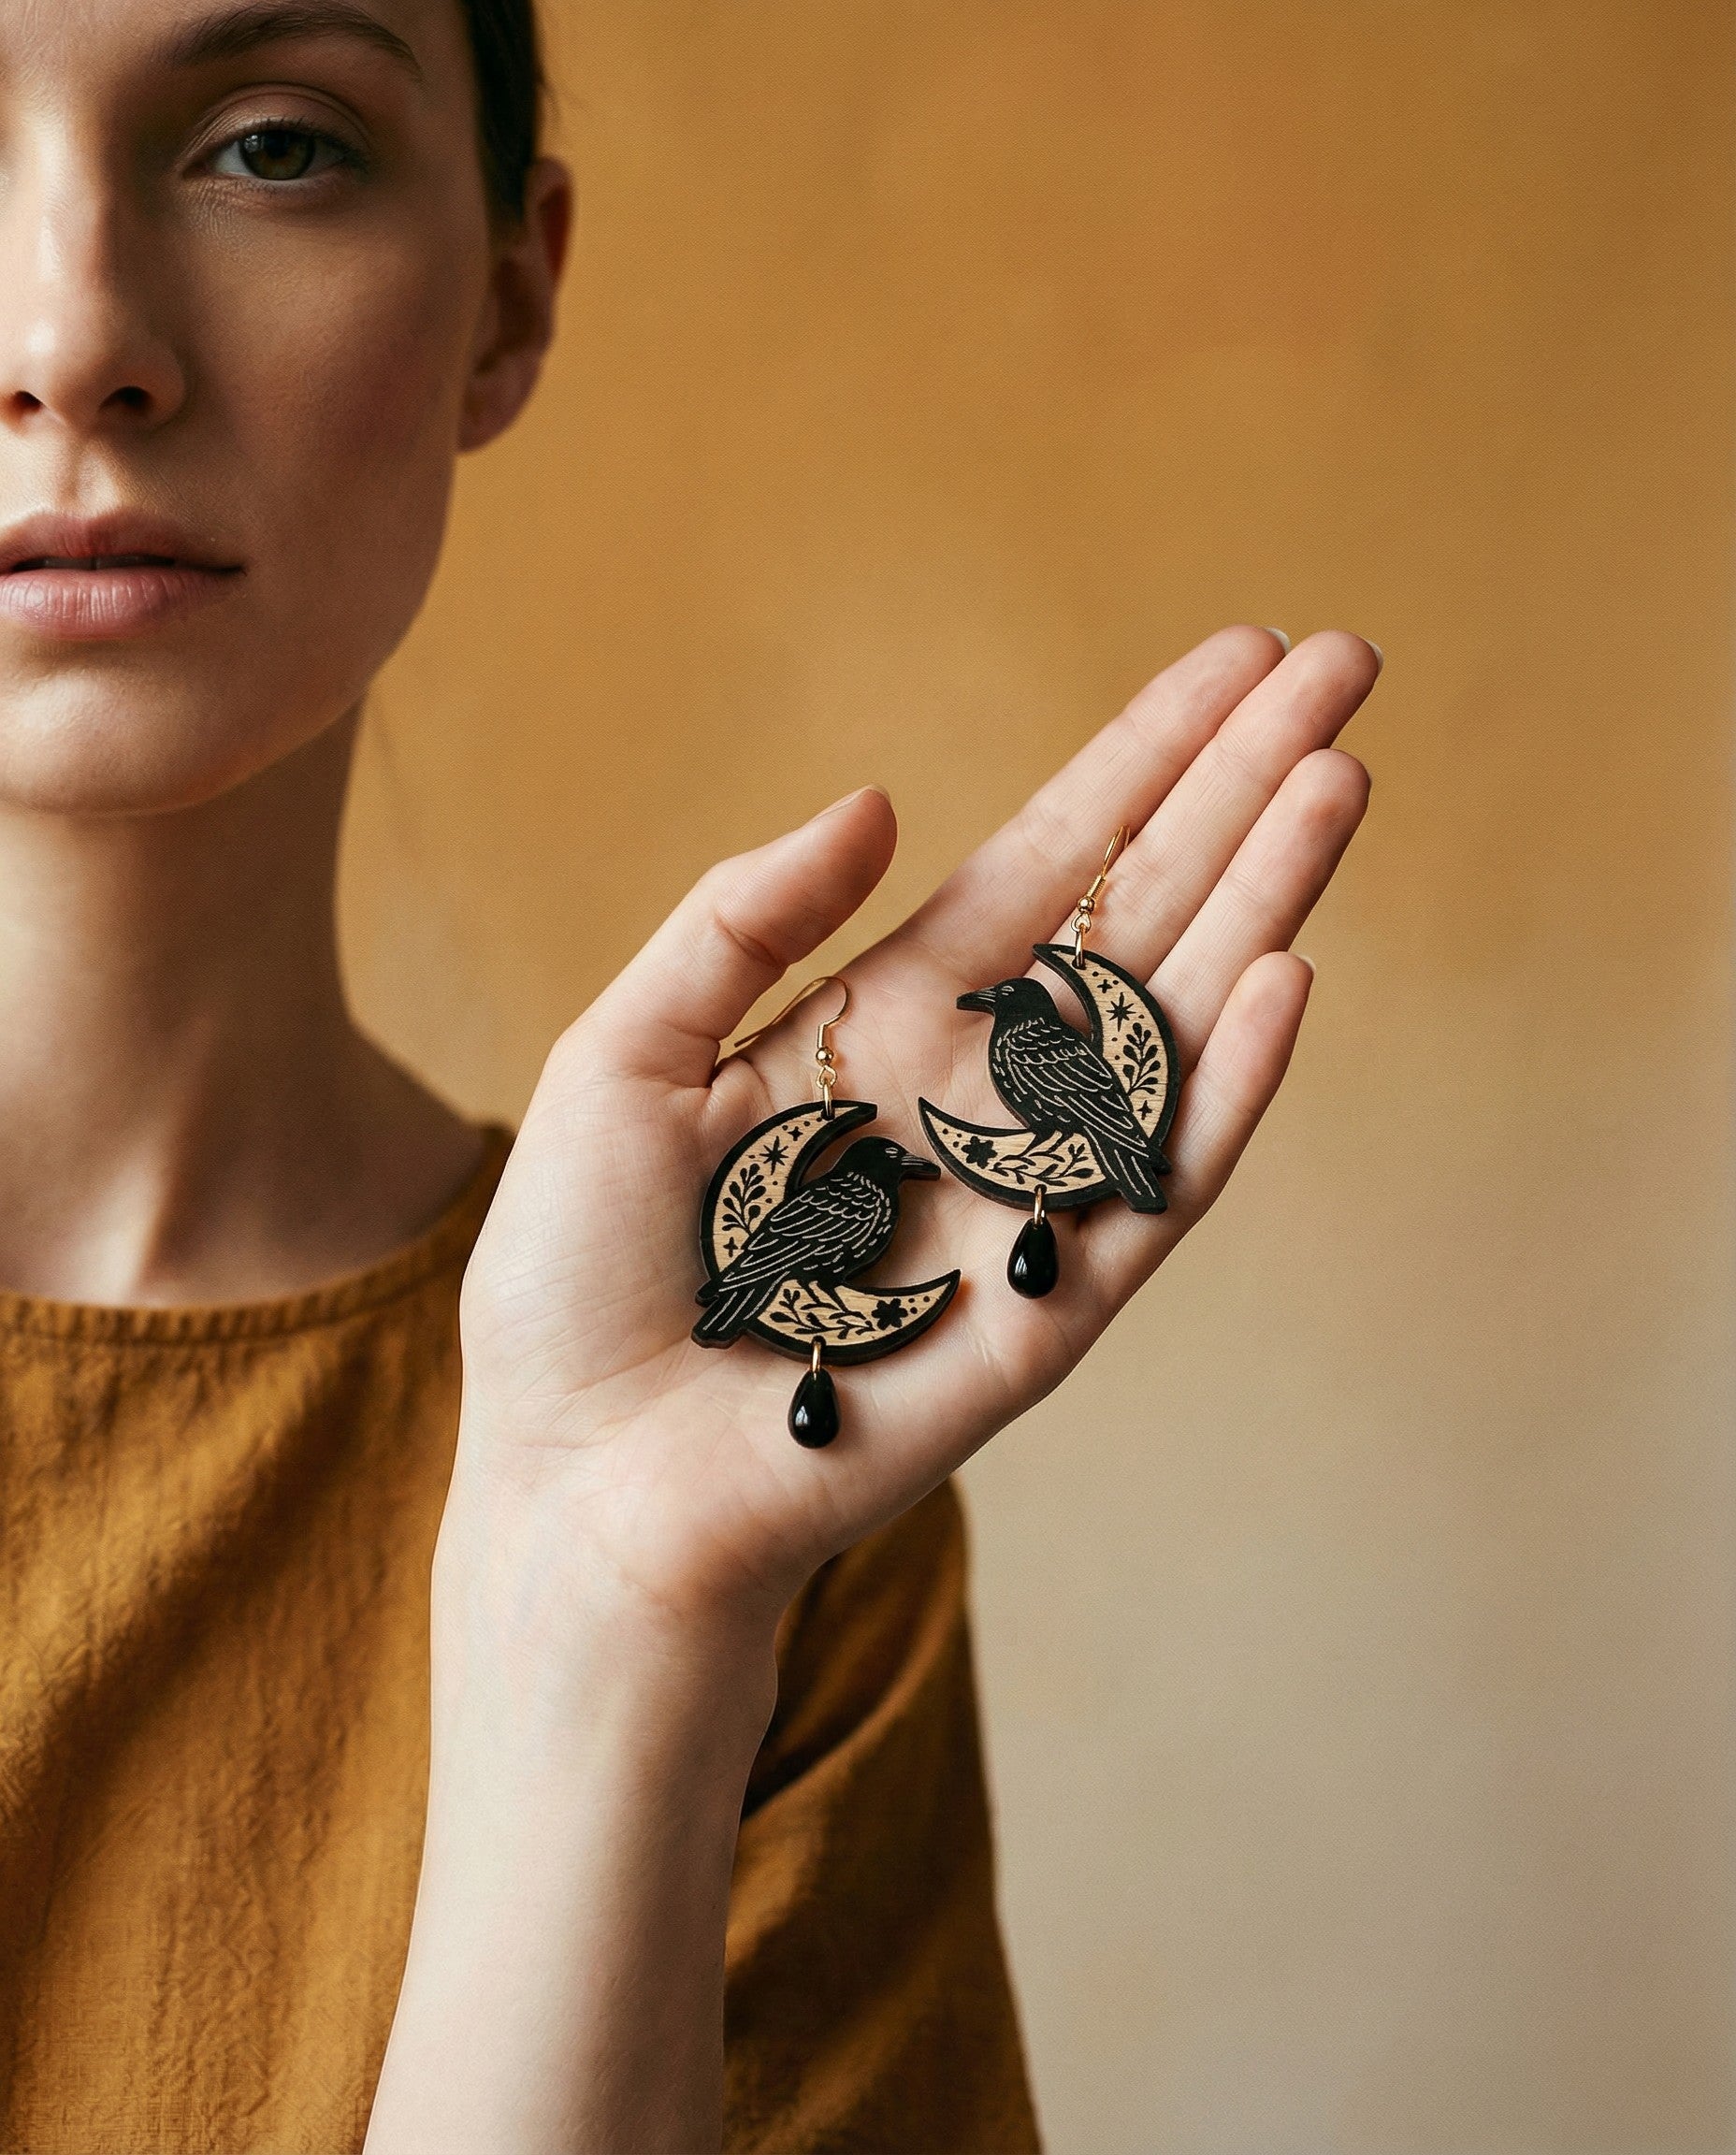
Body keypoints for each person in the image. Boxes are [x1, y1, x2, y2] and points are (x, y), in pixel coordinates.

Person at [0, 1, 1379, 2148]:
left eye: (273, 145)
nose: (77, 338)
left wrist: (602, 1634)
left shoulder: (753, 1426)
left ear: (507, 288)